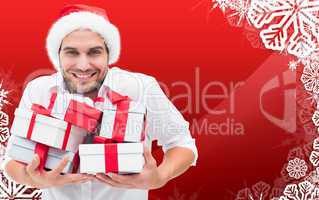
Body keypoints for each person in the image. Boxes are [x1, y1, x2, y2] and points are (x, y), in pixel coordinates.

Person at [2, 4, 198, 200]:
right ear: (58, 55)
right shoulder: (39, 90)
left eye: (94, 52)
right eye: (72, 52)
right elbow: (11, 162)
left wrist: (159, 178)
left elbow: (182, 144)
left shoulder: (141, 87)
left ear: (108, 54)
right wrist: (36, 181)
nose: (83, 65)